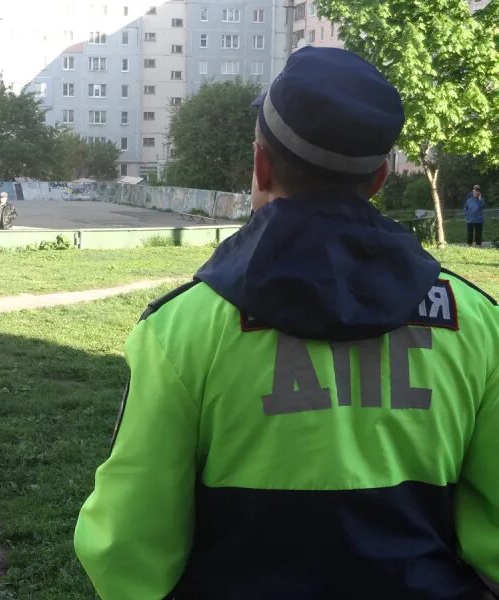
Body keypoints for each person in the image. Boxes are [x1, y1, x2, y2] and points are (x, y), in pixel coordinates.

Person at [74, 47, 499, 599]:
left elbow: (126, 546)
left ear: (261, 165)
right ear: (379, 180)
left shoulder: (179, 331)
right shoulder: (478, 325)